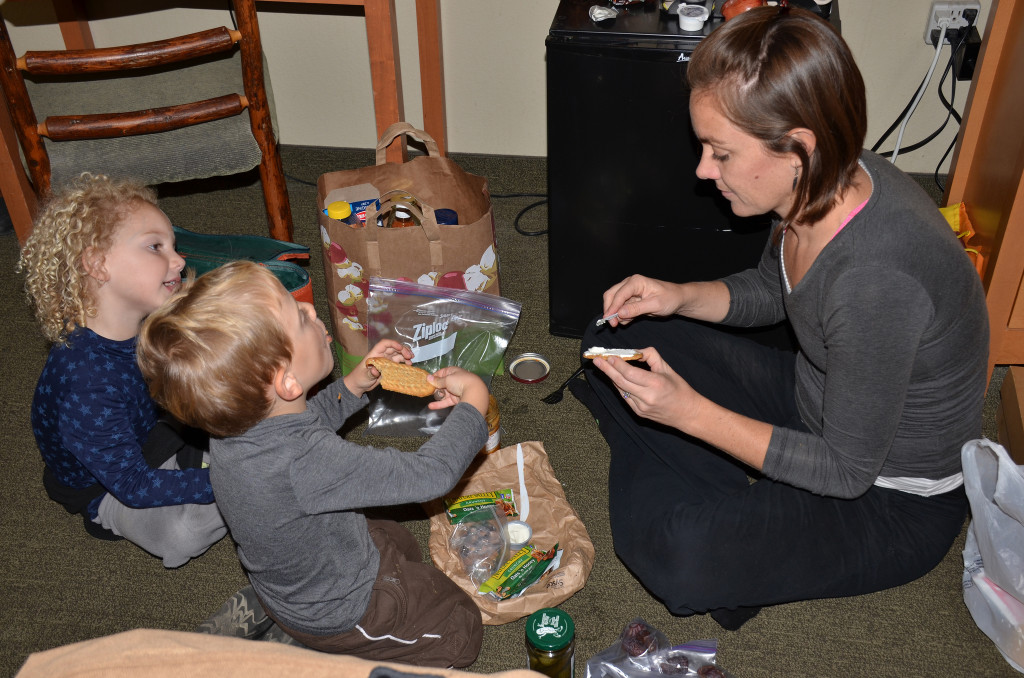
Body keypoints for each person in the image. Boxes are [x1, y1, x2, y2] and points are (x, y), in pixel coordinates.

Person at [575, 7, 989, 631]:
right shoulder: (825, 182)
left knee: (673, 553)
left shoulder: (877, 282)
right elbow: (774, 290)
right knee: (614, 336)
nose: (702, 171)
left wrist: (690, 413)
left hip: (888, 498)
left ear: (798, 147)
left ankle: (723, 499)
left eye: (720, 153)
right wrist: (677, 296)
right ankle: (736, 496)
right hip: (815, 397)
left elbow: (847, 472)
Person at [136, 260, 489, 667]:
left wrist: (354, 385)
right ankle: (331, 652)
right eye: (299, 317)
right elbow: (431, 476)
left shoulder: (235, 430)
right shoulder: (307, 463)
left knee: (398, 540)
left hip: (298, 575)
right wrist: (474, 404)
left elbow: (302, 420)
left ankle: (290, 623)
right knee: (462, 629)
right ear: (286, 381)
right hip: (347, 610)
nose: (311, 311)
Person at [16, 173, 227, 568]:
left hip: (155, 433)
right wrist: (231, 483)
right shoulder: (86, 383)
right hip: (107, 486)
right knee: (183, 535)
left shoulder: (147, 319)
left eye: (173, 246)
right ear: (97, 263)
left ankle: (213, 460)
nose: (179, 260)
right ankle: (221, 470)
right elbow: (133, 485)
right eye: (155, 247)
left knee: (234, 388)